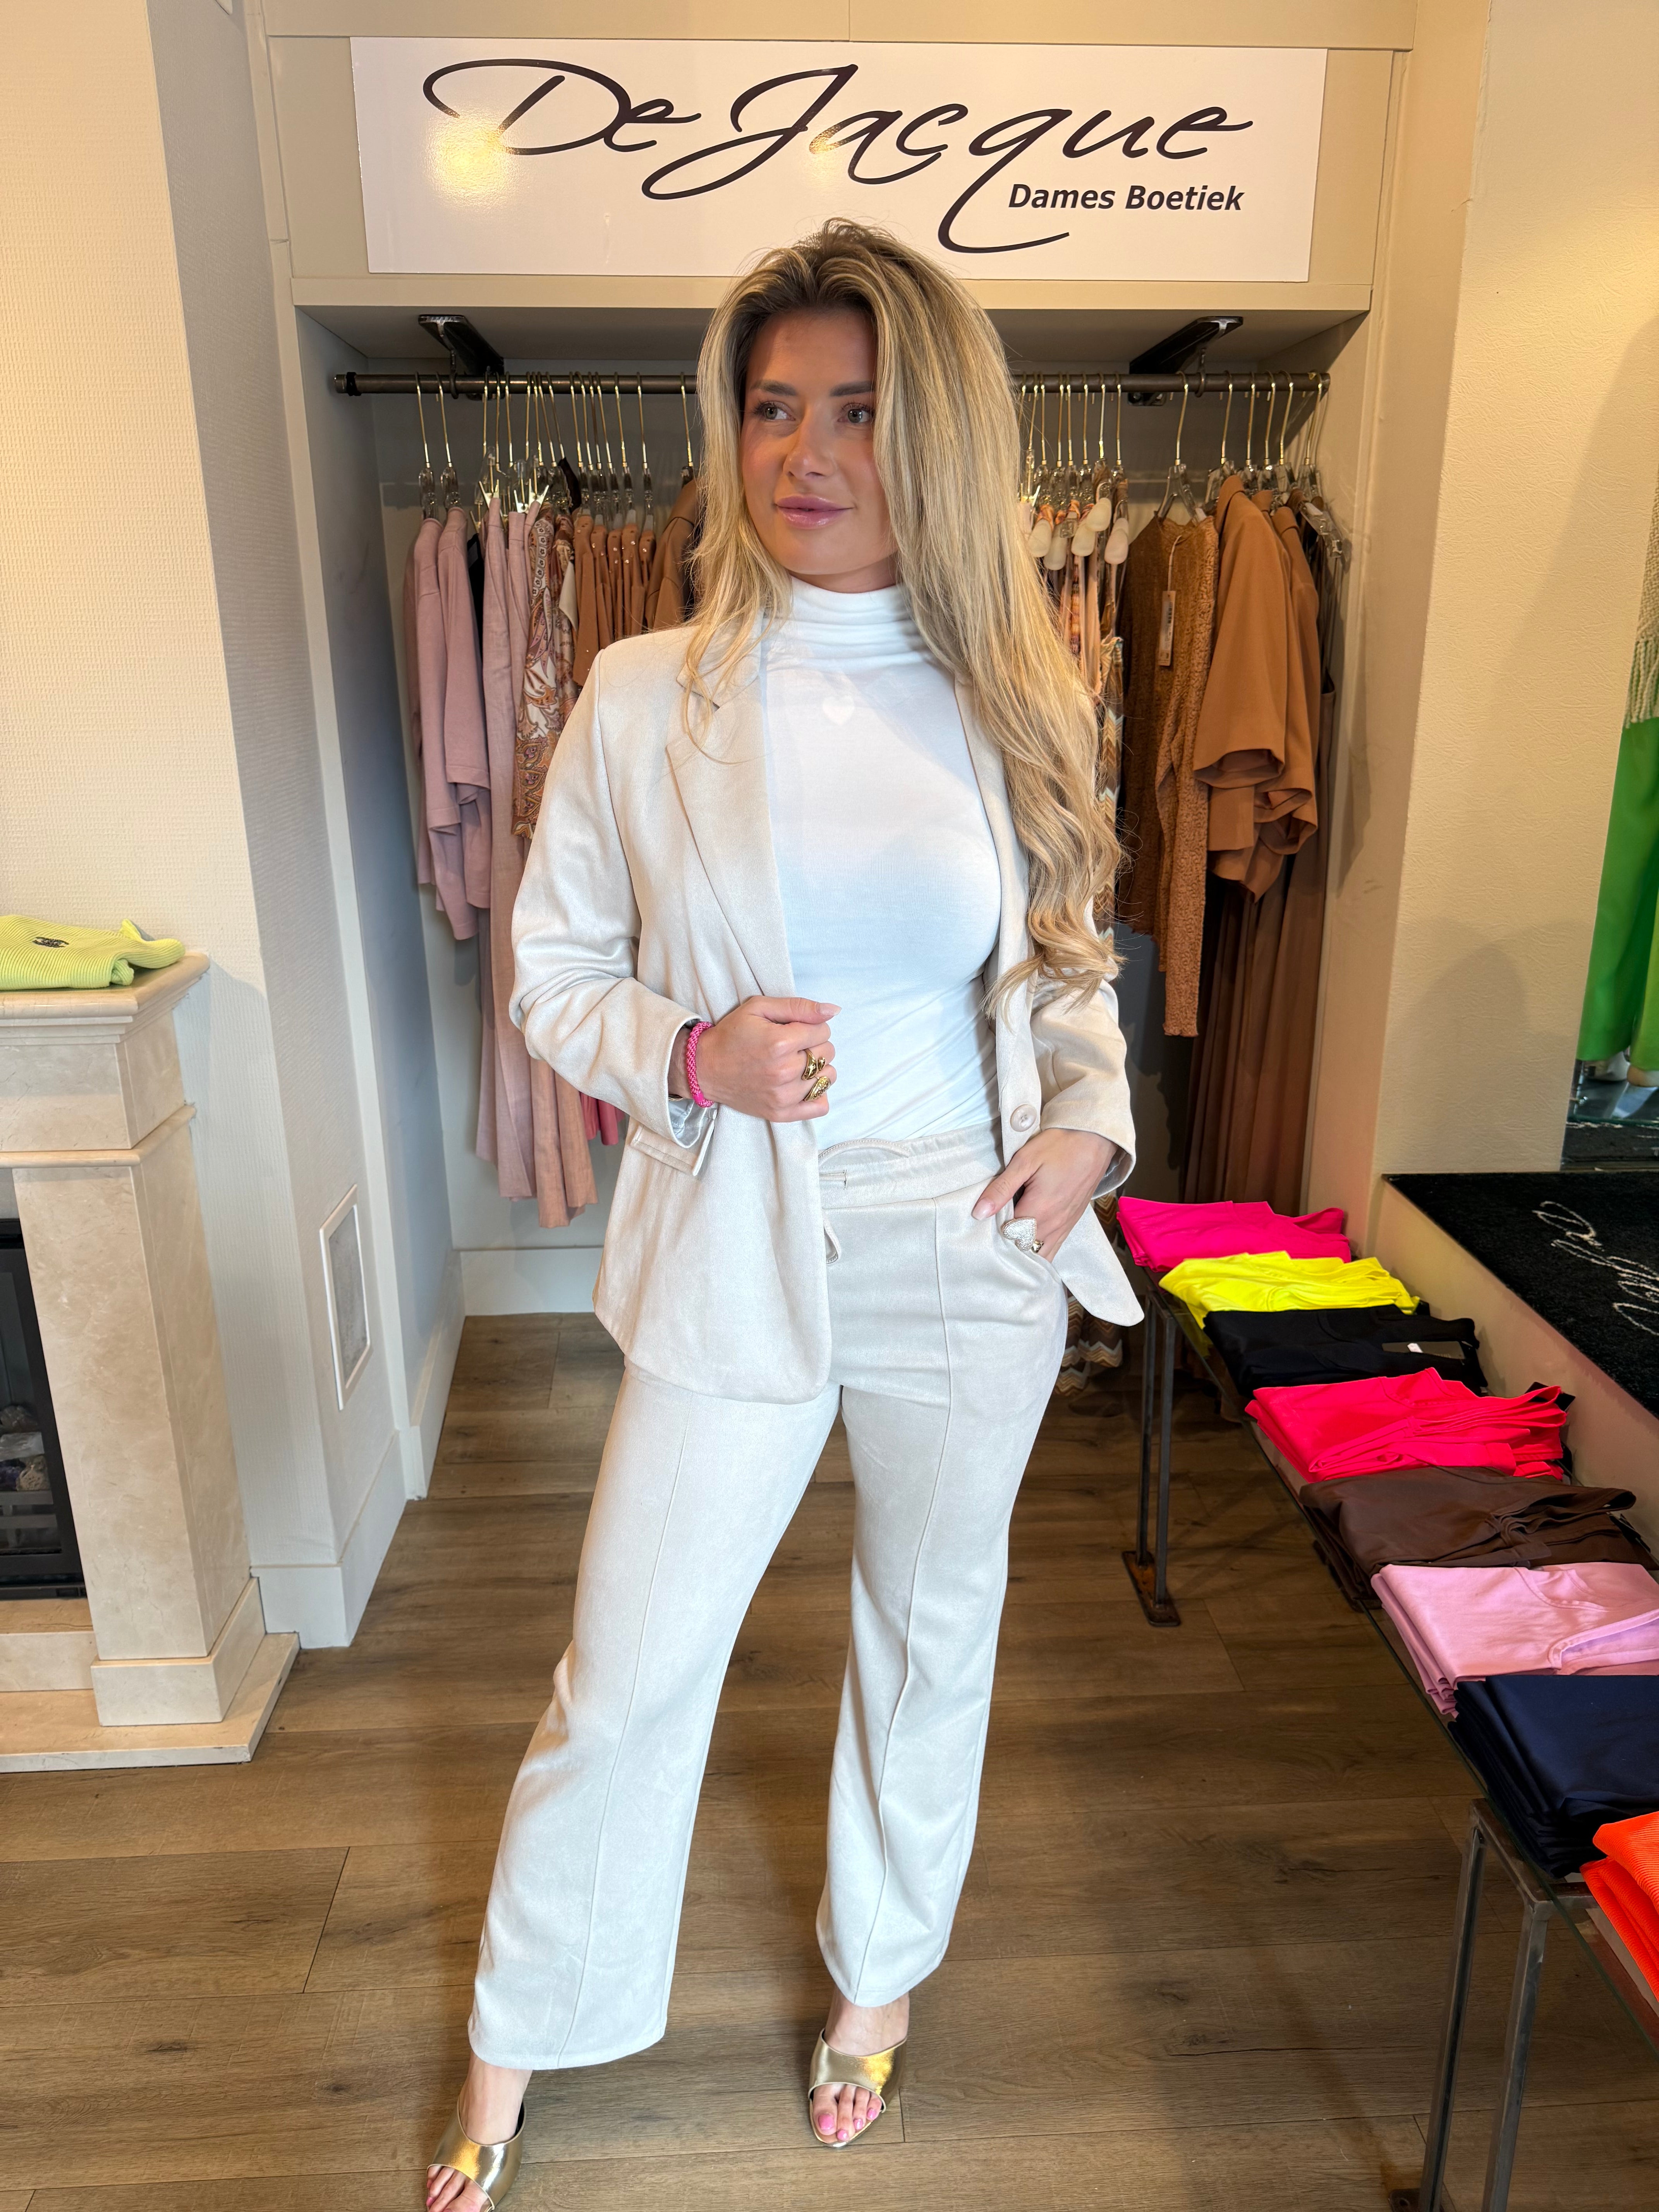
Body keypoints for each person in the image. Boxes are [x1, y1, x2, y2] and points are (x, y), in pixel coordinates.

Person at [427, 219, 1139, 2210]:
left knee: (931, 1632)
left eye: (858, 411)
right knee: (630, 1660)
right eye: (770, 407)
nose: (805, 454)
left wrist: (1091, 1129)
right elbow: (550, 973)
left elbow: (1068, 967)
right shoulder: (646, 694)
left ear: (941, 437)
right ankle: (515, 2036)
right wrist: (691, 1052)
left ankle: (875, 1982)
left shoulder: (1021, 693)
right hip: (735, 1229)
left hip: (968, 1232)